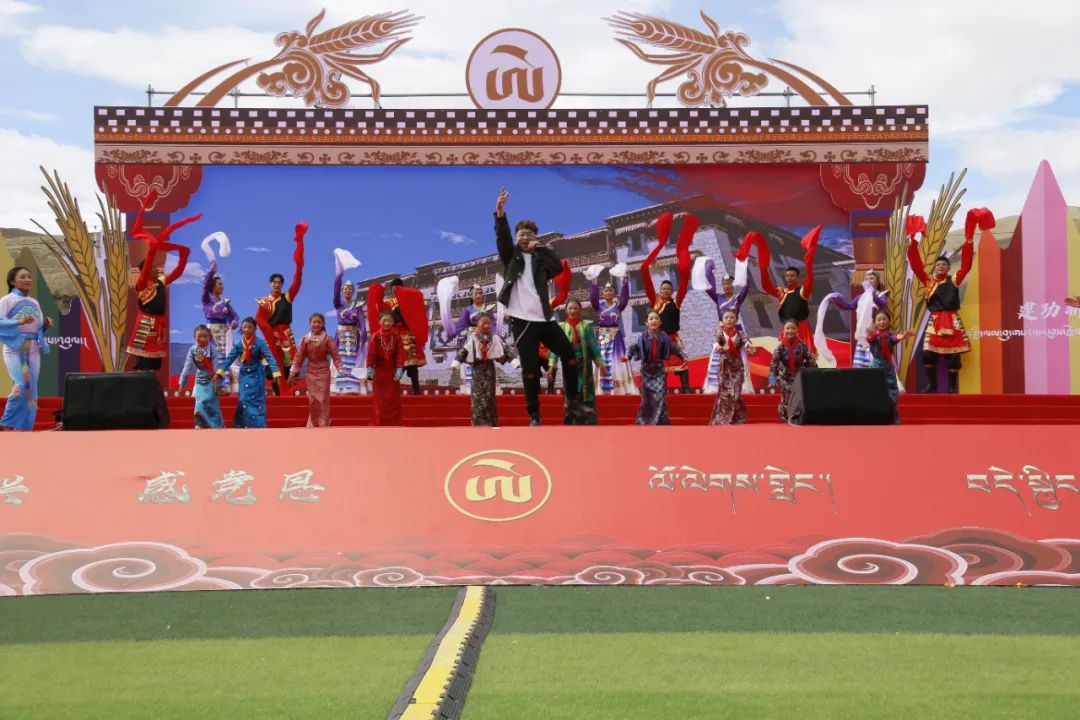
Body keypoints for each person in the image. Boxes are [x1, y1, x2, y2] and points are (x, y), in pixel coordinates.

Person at [494, 188, 593, 426]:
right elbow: (503, 239)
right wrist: (500, 214)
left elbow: (557, 267)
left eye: (528, 235)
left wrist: (540, 247)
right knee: (529, 369)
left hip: (544, 319)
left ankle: (572, 402)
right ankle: (534, 414)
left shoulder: (540, 260)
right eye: (521, 235)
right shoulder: (511, 257)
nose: (524, 238)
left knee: (569, 355)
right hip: (521, 320)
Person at [907, 209, 993, 393]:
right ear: (935, 267)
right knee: (928, 354)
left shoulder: (954, 280)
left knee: (954, 356)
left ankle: (952, 388)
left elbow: (966, 266)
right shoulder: (929, 281)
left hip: (952, 321)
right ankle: (932, 384)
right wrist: (912, 244)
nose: (941, 267)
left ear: (947, 268)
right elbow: (916, 267)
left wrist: (969, 241)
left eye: (944, 265)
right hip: (935, 322)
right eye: (938, 265)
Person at [126, 192, 199, 371]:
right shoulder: (142, 284)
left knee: (155, 364)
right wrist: (152, 247)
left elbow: (177, 272)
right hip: (145, 323)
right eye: (151, 267)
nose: (155, 268)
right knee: (143, 362)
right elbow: (149, 260)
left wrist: (184, 256)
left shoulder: (160, 281)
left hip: (158, 325)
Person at [640, 211, 696, 393]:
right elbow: (644, 273)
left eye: (668, 289)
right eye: (663, 288)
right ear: (659, 290)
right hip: (658, 339)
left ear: (672, 291)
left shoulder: (676, 300)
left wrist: (683, 253)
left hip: (673, 338)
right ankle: (661, 393)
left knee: (682, 365)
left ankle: (686, 390)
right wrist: (657, 249)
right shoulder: (655, 301)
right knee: (660, 368)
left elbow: (684, 279)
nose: (666, 291)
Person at [745, 226, 823, 353]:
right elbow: (766, 286)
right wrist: (763, 270)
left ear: (797, 278)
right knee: (783, 358)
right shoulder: (782, 292)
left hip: (801, 330)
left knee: (805, 358)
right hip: (786, 330)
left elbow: (809, 278)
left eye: (792, 276)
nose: (789, 278)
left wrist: (810, 255)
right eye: (787, 276)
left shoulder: (802, 291)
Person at [694, 233, 753, 393]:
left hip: (736, 331)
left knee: (739, 358)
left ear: (733, 285)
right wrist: (708, 270)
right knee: (718, 358)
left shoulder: (737, 298)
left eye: (729, 283)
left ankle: (741, 385)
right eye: (724, 284)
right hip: (722, 331)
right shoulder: (718, 297)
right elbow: (708, 288)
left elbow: (746, 287)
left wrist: (743, 267)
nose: (727, 286)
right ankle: (717, 385)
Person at [256, 222, 307, 393]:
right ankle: (278, 392)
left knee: (289, 367)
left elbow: (297, 281)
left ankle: (288, 394)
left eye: (279, 282)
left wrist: (299, 266)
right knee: (271, 369)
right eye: (274, 282)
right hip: (272, 337)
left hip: (286, 335)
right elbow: (259, 320)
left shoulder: (287, 297)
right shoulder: (264, 302)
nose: (276, 285)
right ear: (270, 284)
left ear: (282, 284)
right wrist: (269, 333)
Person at [0, 267, 51, 431]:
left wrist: (45, 326)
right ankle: (6, 423)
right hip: (16, 347)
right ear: (12, 281)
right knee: (22, 384)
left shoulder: (34, 302)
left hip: (33, 349)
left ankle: (26, 427)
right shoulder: (6, 300)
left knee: (32, 390)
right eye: (22, 277)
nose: (28, 279)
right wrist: (18, 322)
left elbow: (38, 329)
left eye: (29, 276)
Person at [815, 269, 888, 369]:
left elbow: (881, 303)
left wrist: (872, 293)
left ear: (878, 281)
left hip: (876, 333)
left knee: (875, 362)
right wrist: (837, 300)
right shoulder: (862, 297)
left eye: (872, 278)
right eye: (867, 279)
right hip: (863, 333)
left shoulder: (882, 295)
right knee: (861, 365)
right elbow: (849, 306)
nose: (869, 281)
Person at [367, 277, 428, 395]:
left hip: (406, 334)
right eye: (393, 288)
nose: (395, 290)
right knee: (394, 362)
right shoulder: (390, 302)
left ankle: (416, 389)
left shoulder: (408, 299)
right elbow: (381, 308)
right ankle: (393, 389)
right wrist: (377, 293)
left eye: (397, 288)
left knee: (411, 362)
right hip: (393, 334)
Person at [218, 317, 280, 429]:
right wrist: (220, 372)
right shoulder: (238, 344)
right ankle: (242, 426)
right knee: (243, 400)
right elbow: (229, 359)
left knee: (257, 401)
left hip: (257, 375)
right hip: (244, 376)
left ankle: (259, 426)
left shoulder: (260, 343)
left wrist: (276, 372)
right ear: (241, 328)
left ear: (254, 329)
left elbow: (270, 357)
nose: (246, 329)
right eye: (245, 327)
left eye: (250, 327)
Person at [628, 310, 687, 425]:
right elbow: (633, 347)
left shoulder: (664, 336)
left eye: (656, 318)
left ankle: (656, 421)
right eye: (651, 319)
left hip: (659, 370)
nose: (653, 321)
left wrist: (683, 356)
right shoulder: (642, 337)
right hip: (646, 371)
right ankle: (648, 421)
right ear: (646, 322)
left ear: (660, 322)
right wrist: (627, 356)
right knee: (647, 399)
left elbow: (674, 347)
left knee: (660, 396)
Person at [550, 299, 603, 425]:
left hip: (584, 365)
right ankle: (571, 419)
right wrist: (551, 366)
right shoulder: (561, 327)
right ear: (566, 310)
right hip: (568, 365)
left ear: (580, 310)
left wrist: (600, 364)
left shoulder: (586, 326)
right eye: (570, 308)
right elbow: (555, 348)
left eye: (575, 308)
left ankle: (586, 420)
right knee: (570, 390)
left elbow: (593, 345)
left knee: (585, 390)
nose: (573, 311)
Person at [454, 313, 513, 426]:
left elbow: (505, 349)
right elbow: (464, 351)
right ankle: (477, 422)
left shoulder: (494, 338)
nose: (486, 326)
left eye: (488, 323)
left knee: (489, 395)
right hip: (477, 369)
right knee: (477, 396)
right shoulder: (473, 337)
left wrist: (514, 361)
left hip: (489, 369)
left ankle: (491, 422)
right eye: (483, 323)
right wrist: (456, 363)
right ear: (478, 324)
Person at [587, 265, 636, 395]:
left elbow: (625, 297)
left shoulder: (618, 306)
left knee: (616, 360)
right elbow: (593, 297)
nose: (608, 293)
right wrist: (594, 280)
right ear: (603, 293)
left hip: (616, 337)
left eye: (611, 291)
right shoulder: (598, 306)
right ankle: (601, 388)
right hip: (603, 337)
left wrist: (624, 280)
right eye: (606, 291)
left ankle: (618, 387)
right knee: (603, 360)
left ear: (614, 293)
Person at [439, 281, 495, 395]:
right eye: (476, 293)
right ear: (471, 296)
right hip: (472, 340)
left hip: (485, 340)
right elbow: (460, 326)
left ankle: (488, 388)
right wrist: (467, 330)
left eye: (480, 293)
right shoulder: (468, 310)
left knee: (487, 364)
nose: (478, 295)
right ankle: (469, 387)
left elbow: (492, 325)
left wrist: (492, 335)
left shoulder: (488, 309)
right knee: (470, 363)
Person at [289, 313, 343, 428]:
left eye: (319, 322)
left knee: (323, 398)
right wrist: (293, 372)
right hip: (311, 371)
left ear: (323, 324)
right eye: (314, 322)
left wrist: (340, 367)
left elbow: (335, 354)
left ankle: (323, 422)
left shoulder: (328, 339)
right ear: (310, 324)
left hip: (324, 371)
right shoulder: (305, 339)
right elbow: (299, 357)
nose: (316, 324)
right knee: (313, 399)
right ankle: (313, 422)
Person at [201, 236, 239, 391]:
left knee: (225, 358)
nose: (222, 286)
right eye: (219, 284)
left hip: (224, 333)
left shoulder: (225, 302)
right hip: (211, 332)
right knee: (212, 357)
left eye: (222, 284)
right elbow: (206, 284)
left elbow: (234, 315)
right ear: (213, 286)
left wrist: (234, 323)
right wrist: (212, 269)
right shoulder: (206, 298)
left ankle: (224, 386)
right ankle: (212, 386)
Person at [709, 309, 754, 425]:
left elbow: (746, 341)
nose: (729, 320)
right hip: (724, 367)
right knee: (724, 394)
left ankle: (737, 418)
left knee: (736, 393)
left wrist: (749, 346)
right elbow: (714, 342)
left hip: (737, 367)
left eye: (732, 317)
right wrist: (718, 346)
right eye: (726, 318)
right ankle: (722, 419)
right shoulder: (720, 332)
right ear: (722, 321)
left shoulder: (740, 333)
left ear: (736, 320)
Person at [866, 311, 911, 423]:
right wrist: (872, 335)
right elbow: (871, 339)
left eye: (884, 319)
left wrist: (902, 337)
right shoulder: (873, 336)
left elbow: (895, 338)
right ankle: (875, 417)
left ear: (889, 321)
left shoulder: (890, 336)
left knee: (892, 392)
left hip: (888, 368)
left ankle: (892, 416)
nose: (882, 322)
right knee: (875, 392)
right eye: (879, 320)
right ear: (875, 322)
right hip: (876, 368)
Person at [332, 249, 366, 395]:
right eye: (345, 288)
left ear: (353, 291)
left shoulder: (357, 306)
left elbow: (362, 324)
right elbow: (335, 287)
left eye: (350, 289)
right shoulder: (338, 304)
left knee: (352, 359)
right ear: (342, 291)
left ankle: (352, 386)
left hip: (353, 338)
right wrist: (339, 273)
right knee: (340, 359)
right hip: (340, 337)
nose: (347, 290)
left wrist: (363, 339)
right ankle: (340, 386)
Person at [769, 320, 817, 423]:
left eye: (793, 328)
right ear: (783, 330)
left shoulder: (802, 346)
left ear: (797, 330)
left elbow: (810, 361)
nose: (790, 331)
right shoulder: (780, 347)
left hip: (798, 376)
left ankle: (796, 416)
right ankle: (785, 417)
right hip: (784, 376)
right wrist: (772, 379)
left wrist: (814, 374)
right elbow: (774, 364)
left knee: (799, 396)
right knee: (788, 395)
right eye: (788, 328)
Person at [177, 324, 225, 429]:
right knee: (199, 404)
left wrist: (218, 384)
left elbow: (216, 367)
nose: (202, 339)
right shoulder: (192, 350)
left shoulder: (212, 350)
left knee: (212, 406)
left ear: (209, 337)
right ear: (194, 337)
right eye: (199, 336)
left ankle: (216, 428)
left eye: (205, 336)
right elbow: (187, 367)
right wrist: (182, 383)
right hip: (199, 381)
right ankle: (199, 425)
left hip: (211, 381)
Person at [367, 311, 406, 426]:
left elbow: (400, 354)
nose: (387, 323)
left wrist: (399, 370)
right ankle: (379, 422)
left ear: (393, 322)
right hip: (379, 372)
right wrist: (370, 369)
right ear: (379, 322)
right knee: (380, 401)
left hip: (393, 372)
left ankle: (394, 423)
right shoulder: (375, 337)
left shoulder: (397, 337)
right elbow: (371, 355)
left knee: (393, 400)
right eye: (384, 320)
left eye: (389, 320)